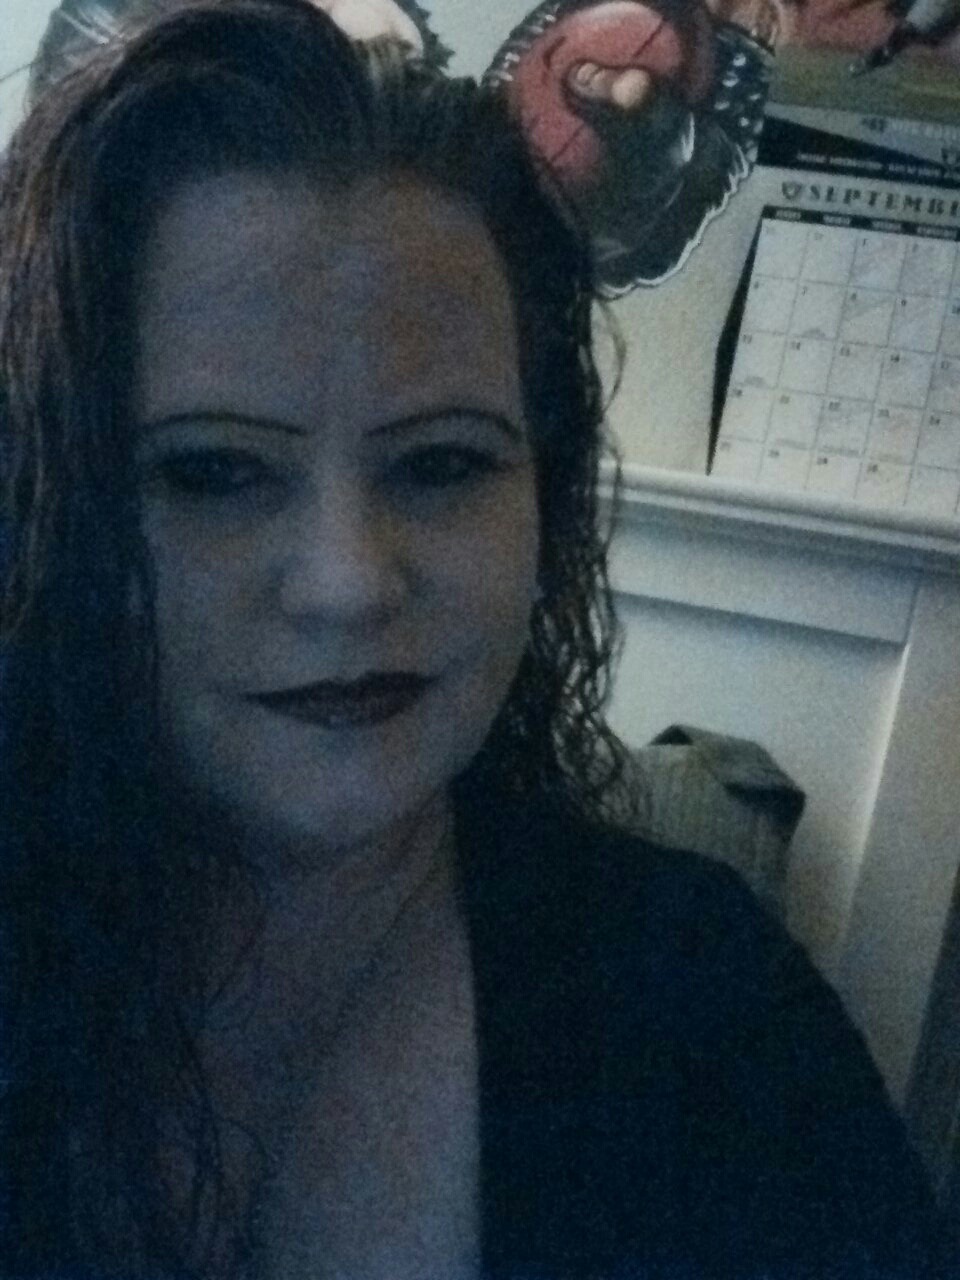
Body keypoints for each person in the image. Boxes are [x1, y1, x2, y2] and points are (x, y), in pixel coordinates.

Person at [0, 1, 950, 1277]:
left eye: (442, 463)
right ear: (44, 498)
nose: (348, 584)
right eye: (214, 471)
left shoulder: (704, 1007)